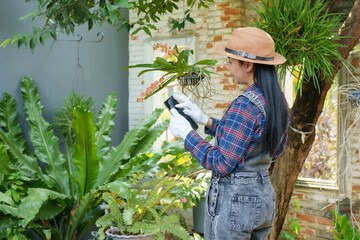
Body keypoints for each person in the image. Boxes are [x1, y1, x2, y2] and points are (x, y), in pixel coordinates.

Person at [169, 27, 289, 240]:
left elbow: (222, 163)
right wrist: (204, 120)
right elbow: (271, 149)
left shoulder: (245, 105)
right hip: (263, 199)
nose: (228, 68)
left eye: (230, 62)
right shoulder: (278, 102)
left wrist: (188, 134)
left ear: (248, 64)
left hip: (235, 203)